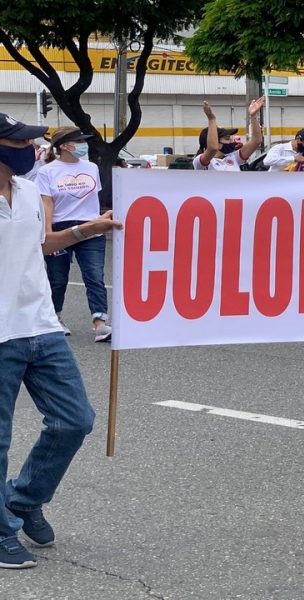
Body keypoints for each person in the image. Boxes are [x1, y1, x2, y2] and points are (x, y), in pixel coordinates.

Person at [0, 112, 121, 569]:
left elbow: (42, 244)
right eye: (18, 141)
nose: (30, 149)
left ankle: (24, 498)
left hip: (42, 326)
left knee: (76, 420)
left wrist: (88, 228)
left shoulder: (29, 190)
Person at [34, 126, 111, 342]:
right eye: (78, 141)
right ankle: (54, 317)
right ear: (65, 146)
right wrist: (47, 234)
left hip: (91, 227)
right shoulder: (47, 171)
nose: (82, 145)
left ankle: (100, 323)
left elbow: (94, 199)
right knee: (57, 278)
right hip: (61, 229)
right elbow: (46, 204)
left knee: (95, 275)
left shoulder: (91, 167)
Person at [194, 97, 265, 172]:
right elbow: (212, 148)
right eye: (227, 139)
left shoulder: (233, 157)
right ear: (216, 142)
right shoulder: (200, 162)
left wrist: (253, 116)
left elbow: (256, 141)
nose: (231, 141)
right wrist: (212, 119)